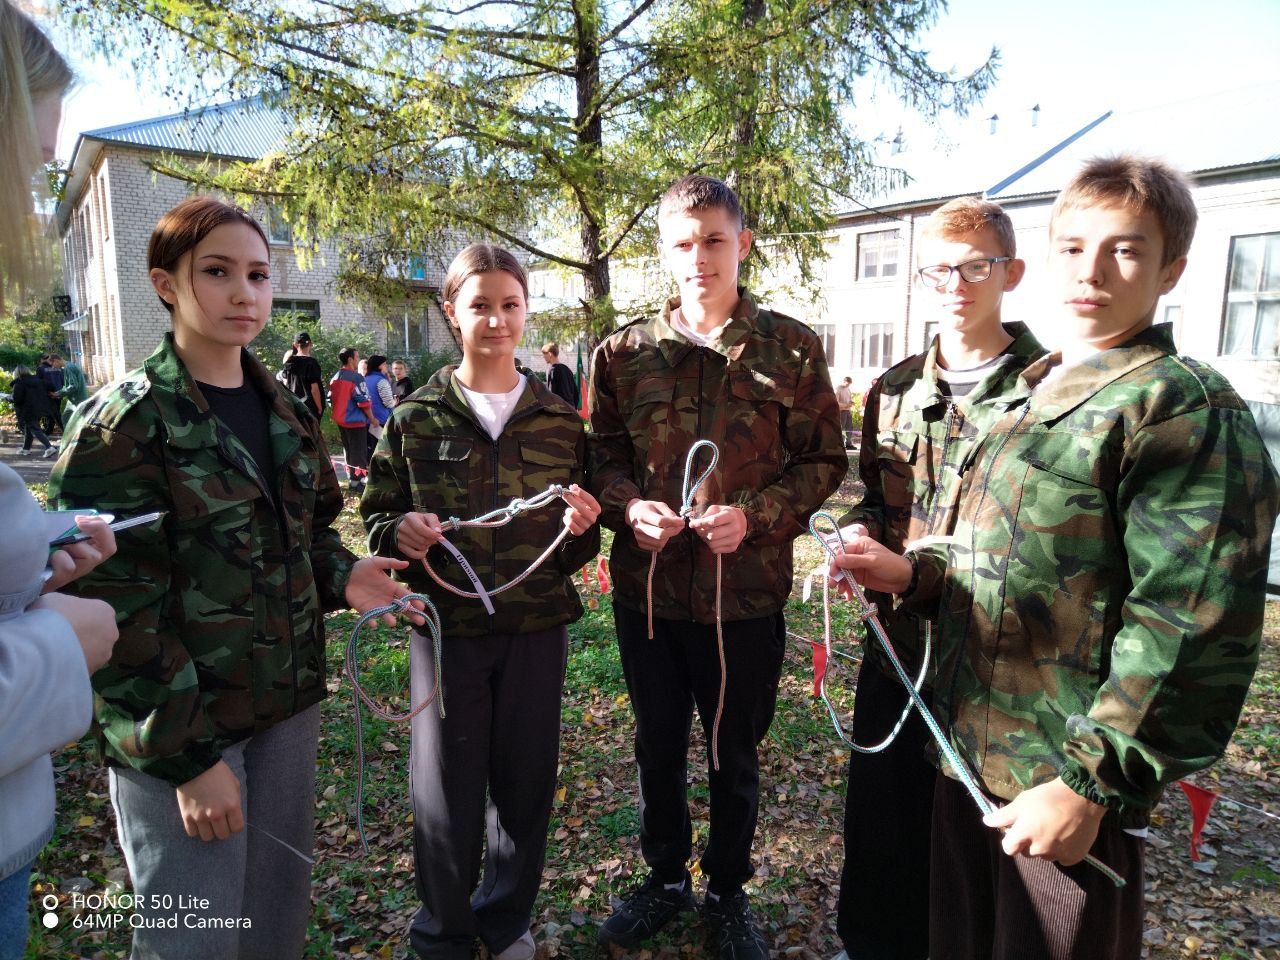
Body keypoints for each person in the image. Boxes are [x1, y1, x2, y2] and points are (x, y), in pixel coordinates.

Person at [832, 156, 1279, 960]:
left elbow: (1186, 624)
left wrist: (1089, 786)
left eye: (1127, 250)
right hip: (966, 756)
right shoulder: (1041, 392)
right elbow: (987, 552)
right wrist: (910, 573)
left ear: (1173, 268)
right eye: (1074, 247)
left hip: (1057, 784)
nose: (1094, 270)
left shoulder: (1178, 405)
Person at [49, 195, 424, 960]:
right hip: (183, 735)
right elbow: (108, 611)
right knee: (192, 940)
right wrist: (191, 761)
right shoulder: (124, 427)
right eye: (217, 272)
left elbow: (307, 533)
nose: (244, 293)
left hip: (284, 711)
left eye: (257, 274)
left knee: (270, 929)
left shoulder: (284, 409)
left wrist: (345, 574)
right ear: (165, 283)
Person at [588, 175, 846, 960]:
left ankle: (728, 890)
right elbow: (599, 457)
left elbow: (824, 458)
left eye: (713, 239)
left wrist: (757, 516)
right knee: (657, 747)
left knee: (735, 756)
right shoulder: (624, 354)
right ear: (662, 250)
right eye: (681, 242)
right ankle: (665, 879)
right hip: (653, 600)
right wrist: (629, 509)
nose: (698, 257)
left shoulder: (789, 347)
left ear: (743, 242)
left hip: (746, 600)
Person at [362, 243, 602, 960]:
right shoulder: (416, 418)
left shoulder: (560, 422)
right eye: (480, 306)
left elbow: (578, 551)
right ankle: (442, 932)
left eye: (510, 306)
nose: (496, 321)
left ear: (526, 312)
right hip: (445, 633)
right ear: (451, 314)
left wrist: (584, 528)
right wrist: (397, 529)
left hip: (536, 630)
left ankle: (504, 923)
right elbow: (377, 514)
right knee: (444, 790)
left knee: (526, 784)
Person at [830, 197, 1044, 960]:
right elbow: (877, 501)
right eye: (938, 267)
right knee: (884, 823)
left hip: (1002, 665)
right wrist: (858, 538)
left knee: (980, 849)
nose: (955, 282)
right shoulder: (891, 391)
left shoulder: (1051, 394)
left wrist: (912, 568)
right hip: (898, 648)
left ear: (1010, 273)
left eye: (975, 265)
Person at [330, 346, 375, 495]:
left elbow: (330, 398)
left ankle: (352, 480)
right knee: (359, 452)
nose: (358, 360)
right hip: (355, 421)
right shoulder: (356, 378)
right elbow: (363, 401)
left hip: (341, 420)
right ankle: (358, 484)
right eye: (357, 357)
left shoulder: (336, 376)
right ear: (350, 359)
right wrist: (372, 418)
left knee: (348, 451)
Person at [11, 364, 56, 457]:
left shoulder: (19, 383)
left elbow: (17, 399)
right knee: (29, 428)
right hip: (40, 408)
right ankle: (25, 449)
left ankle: (49, 447)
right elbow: (51, 386)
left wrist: (9, 398)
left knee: (35, 429)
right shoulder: (37, 380)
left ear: (17, 373)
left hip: (27, 410)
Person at [280, 330, 325, 417]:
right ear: (310, 344)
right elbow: (314, 389)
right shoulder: (312, 363)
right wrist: (319, 407)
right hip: (310, 408)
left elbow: (285, 385)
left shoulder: (289, 362)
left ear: (295, 345)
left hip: (295, 406)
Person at [364, 353, 395, 446]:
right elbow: (389, 403)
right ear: (379, 366)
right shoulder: (381, 381)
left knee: (370, 449)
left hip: (367, 420)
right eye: (384, 364)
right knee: (382, 449)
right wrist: (395, 401)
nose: (386, 366)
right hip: (381, 421)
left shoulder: (364, 379)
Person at [541, 341, 579, 408]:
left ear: (550, 354)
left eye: (544, 354)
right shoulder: (567, 369)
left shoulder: (552, 370)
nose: (543, 357)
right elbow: (575, 392)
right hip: (571, 410)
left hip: (560, 412)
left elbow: (551, 395)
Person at [39, 353, 65, 432]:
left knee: (51, 412)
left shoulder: (41, 369)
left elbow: (39, 382)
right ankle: (50, 429)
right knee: (56, 411)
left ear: (42, 359)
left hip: (48, 394)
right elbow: (63, 381)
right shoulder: (58, 368)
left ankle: (54, 429)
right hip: (59, 393)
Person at [834, 376, 854, 449]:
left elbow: (848, 399)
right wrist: (846, 405)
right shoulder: (838, 389)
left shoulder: (848, 389)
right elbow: (836, 403)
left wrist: (850, 402)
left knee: (850, 427)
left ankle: (848, 444)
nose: (848, 385)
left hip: (848, 411)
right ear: (844, 381)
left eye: (849, 384)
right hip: (841, 411)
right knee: (842, 428)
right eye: (847, 383)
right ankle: (840, 444)